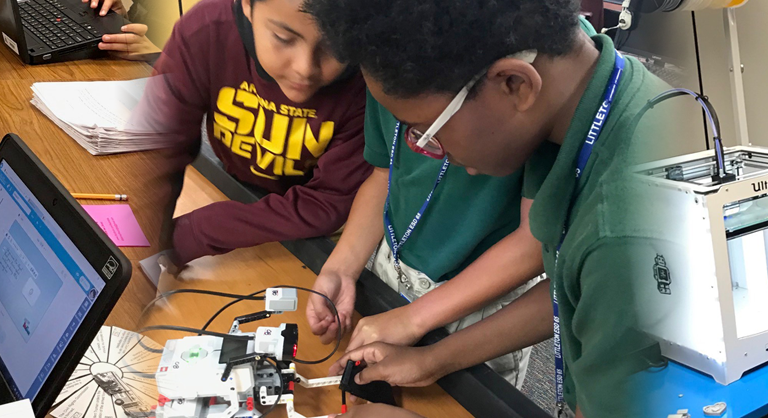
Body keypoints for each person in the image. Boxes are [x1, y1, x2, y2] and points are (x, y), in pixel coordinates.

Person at [306, 0, 683, 415]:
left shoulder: (617, 232)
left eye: (426, 133)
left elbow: (599, 279)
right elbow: (570, 289)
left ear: (515, 84)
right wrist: (433, 360)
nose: (433, 152)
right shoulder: (573, 101)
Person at [302, 91, 548, 387]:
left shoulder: (539, 104)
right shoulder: (381, 68)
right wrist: (341, 268)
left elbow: (535, 241)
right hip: (388, 272)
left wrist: (413, 320)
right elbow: (384, 174)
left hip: (482, 303)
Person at [133, 0, 372, 265]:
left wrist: (198, 230)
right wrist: (149, 236)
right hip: (238, 188)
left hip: (328, 231)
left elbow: (330, 201)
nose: (305, 68)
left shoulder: (368, 76)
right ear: (246, 4)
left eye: (336, 46)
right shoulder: (206, 31)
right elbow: (157, 150)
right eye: (283, 38)